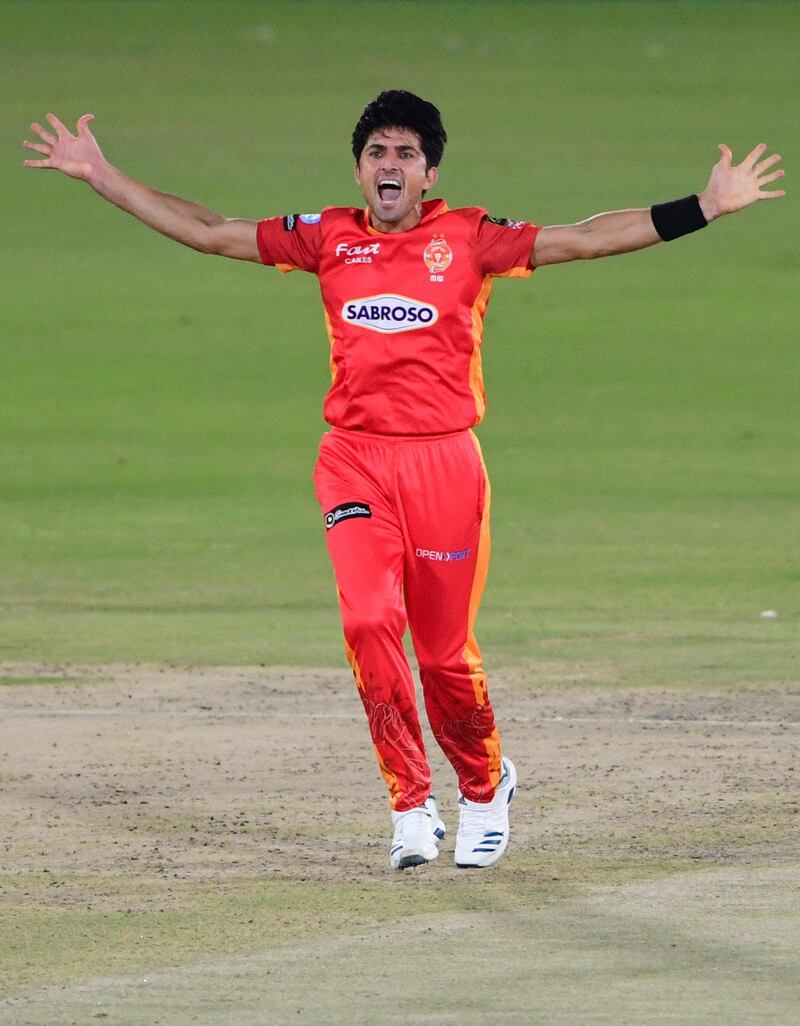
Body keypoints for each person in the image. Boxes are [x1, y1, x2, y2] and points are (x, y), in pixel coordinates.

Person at [24, 91, 784, 871]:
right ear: (359, 170)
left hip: (446, 465)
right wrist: (102, 176)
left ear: (429, 173)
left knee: (445, 656)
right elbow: (210, 232)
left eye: (406, 154)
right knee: (366, 624)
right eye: (377, 153)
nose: (390, 166)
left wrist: (704, 206)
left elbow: (584, 240)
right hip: (353, 458)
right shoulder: (326, 237)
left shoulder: (471, 238)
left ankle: (485, 789)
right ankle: (410, 803)